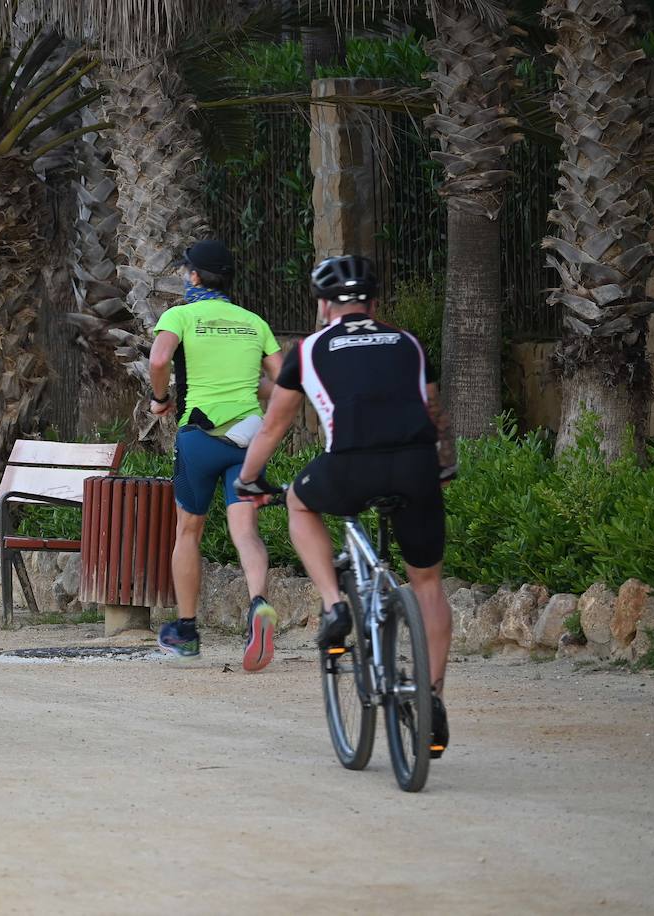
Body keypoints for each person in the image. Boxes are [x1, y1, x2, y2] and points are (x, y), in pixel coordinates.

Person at [234, 255, 458, 757]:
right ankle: (433, 699)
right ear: (375, 304)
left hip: (351, 468)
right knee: (427, 584)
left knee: (298, 501)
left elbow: (274, 426)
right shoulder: (409, 342)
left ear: (322, 305)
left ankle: (335, 605)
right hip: (417, 466)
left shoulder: (309, 349)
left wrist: (249, 480)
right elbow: (435, 413)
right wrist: (444, 469)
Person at [148, 240, 283, 669]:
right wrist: (249, 392)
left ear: (193, 276)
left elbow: (159, 358)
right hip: (250, 438)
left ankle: (186, 631)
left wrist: (160, 397)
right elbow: (283, 383)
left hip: (200, 435)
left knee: (188, 531)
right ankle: (258, 603)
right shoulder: (253, 322)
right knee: (246, 531)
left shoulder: (181, 315)